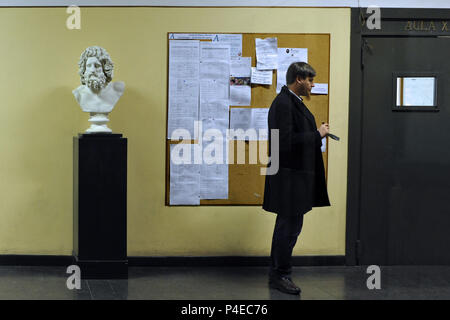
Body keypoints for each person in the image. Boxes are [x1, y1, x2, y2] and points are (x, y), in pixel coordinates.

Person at [263, 62, 331, 295]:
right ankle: (280, 275)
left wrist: (315, 133)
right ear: (299, 79)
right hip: (288, 178)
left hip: (295, 177)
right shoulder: (283, 103)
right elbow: (283, 143)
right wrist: (317, 134)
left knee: (290, 227)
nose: (313, 85)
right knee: (288, 228)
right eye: (310, 80)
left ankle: (279, 272)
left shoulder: (292, 102)